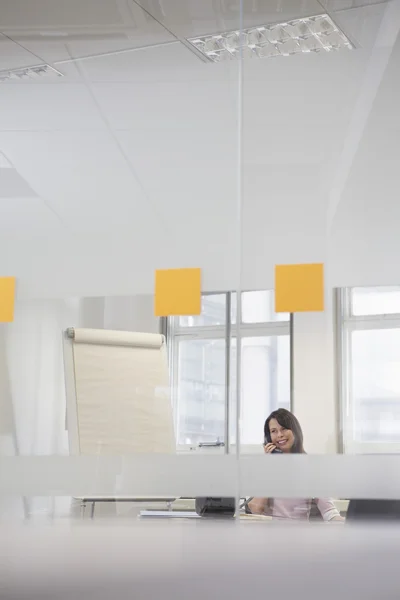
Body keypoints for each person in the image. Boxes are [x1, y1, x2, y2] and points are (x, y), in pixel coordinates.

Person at [247, 408, 344, 522]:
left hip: (299, 535)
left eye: (284, 429)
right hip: (270, 535)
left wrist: (353, 523)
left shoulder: (311, 466)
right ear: (268, 438)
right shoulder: (267, 468)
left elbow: (329, 512)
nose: (279, 435)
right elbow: (256, 508)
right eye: (273, 431)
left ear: (294, 431)